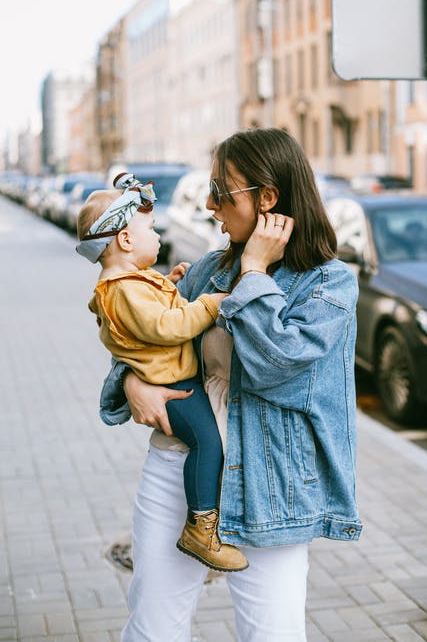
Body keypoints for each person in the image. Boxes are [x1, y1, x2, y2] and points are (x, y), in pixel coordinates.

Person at [101, 129, 362, 642]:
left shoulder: (329, 284)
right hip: (178, 466)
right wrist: (132, 381)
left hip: (271, 481)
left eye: (222, 190)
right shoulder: (205, 271)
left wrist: (255, 271)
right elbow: (140, 336)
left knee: (272, 634)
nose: (209, 203)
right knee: (152, 627)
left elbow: (278, 367)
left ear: (268, 199)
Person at [76, 172, 248, 572]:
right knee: (208, 444)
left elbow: (149, 314)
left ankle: (203, 523)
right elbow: (165, 327)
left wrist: (169, 284)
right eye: (151, 229)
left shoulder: (129, 282)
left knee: (209, 442)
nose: (158, 236)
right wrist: (208, 304)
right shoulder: (122, 289)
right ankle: (201, 527)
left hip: (173, 381)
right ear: (125, 240)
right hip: (173, 387)